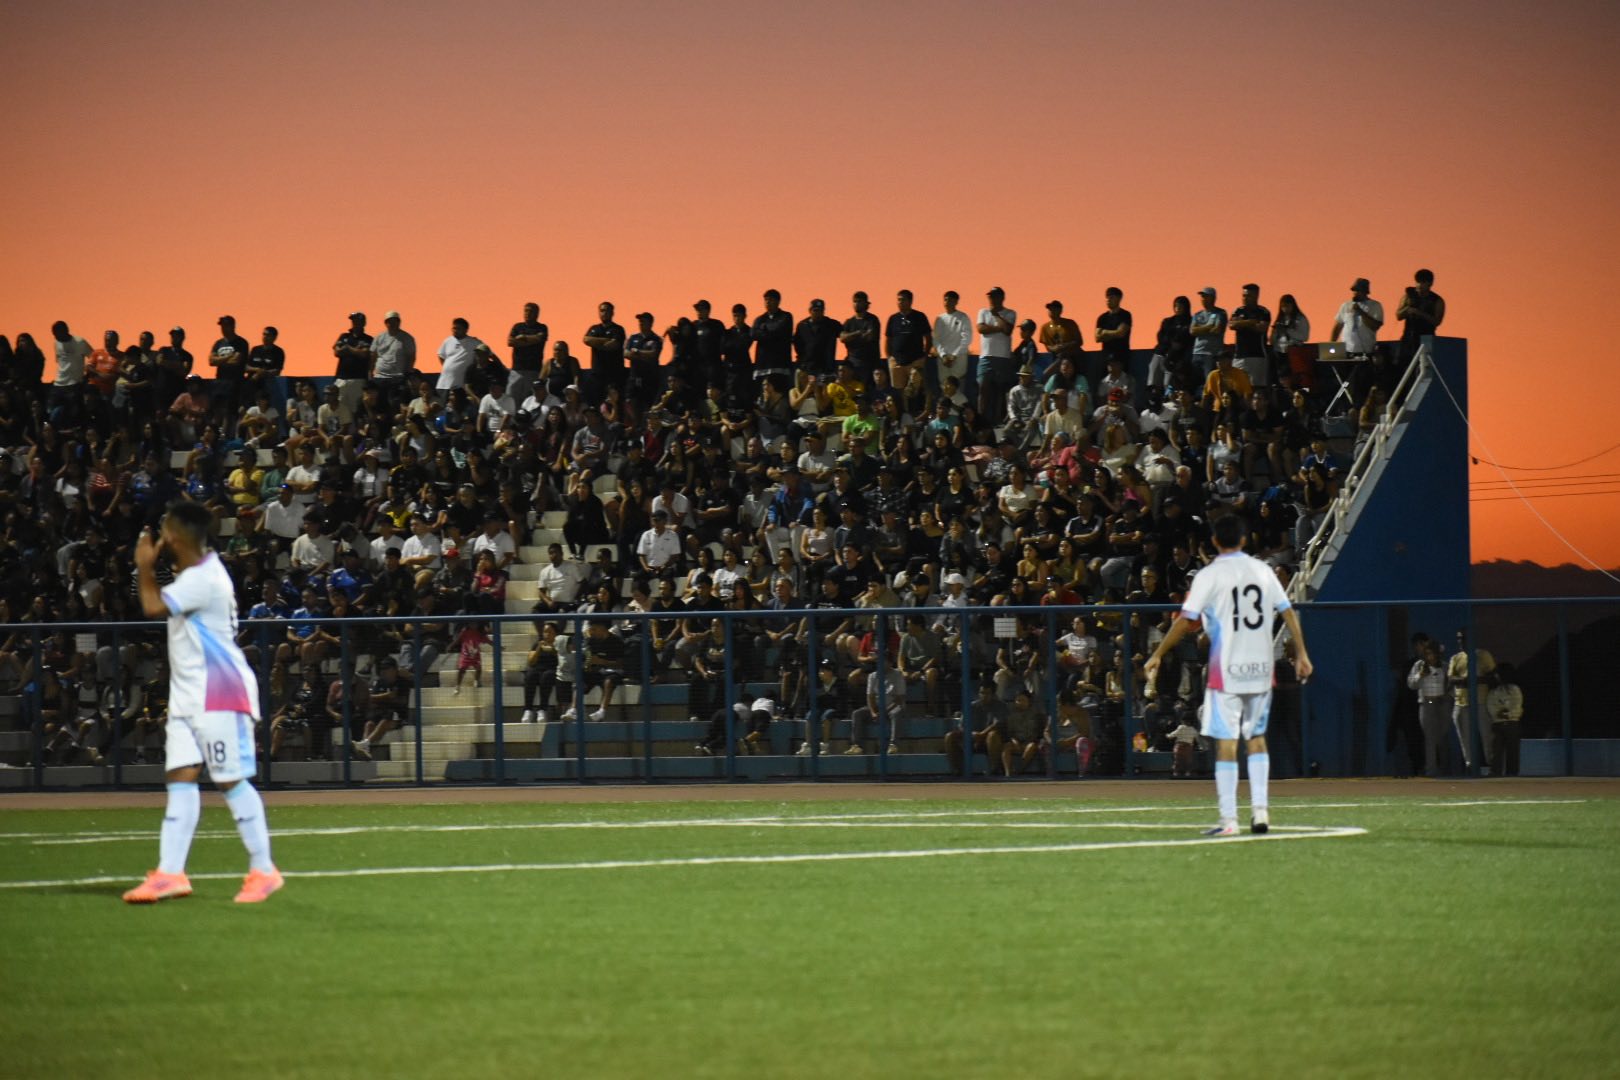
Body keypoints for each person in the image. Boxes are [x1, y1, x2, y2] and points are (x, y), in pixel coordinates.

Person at [123, 501, 281, 904]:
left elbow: (152, 606)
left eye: (164, 532)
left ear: (174, 537)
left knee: (229, 779)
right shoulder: (197, 573)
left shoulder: (204, 578)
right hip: (189, 693)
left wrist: (144, 564)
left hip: (219, 691)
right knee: (180, 776)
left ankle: (263, 870)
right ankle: (170, 873)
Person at [1144, 513, 1313, 836]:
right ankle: (1261, 813)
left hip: (1227, 670)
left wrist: (1158, 653)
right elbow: (1287, 610)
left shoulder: (1210, 575)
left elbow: (1184, 620)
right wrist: (1302, 653)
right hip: (1261, 668)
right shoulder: (1263, 570)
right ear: (1245, 540)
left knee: (1226, 743)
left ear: (1215, 542)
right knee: (1257, 739)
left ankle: (1229, 821)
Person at [1406, 637, 1450, 777]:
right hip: (1427, 702)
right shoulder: (1419, 666)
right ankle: (1431, 771)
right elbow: (1411, 684)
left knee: (1442, 736)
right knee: (1430, 738)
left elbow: (1450, 685)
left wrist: (1449, 697)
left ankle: (1444, 769)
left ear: (1437, 654)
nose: (1429, 657)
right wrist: (1420, 675)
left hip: (1442, 702)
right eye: (1426, 654)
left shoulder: (1444, 666)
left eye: (1431, 653)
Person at [1395, 268, 1445, 367]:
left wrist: (1420, 313)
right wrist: (1408, 309)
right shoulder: (1408, 297)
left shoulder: (1437, 300)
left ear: (1430, 284)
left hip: (1426, 339)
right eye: (1418, 282)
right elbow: (1398, 315)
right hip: (1408, 338)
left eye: (1423, 283)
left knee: (1423, 368)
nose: (1419, 286)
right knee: (1403, 366)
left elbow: (1437, 321)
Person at [1484, 665, 1522, 777]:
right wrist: (1501, 712)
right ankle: (1495, 772)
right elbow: (1491, 707)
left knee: (1513, 751)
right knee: (1496, 751)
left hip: (1512, 723)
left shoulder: (1514, 689)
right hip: (1498, 723)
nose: (1496, 676)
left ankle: (1512, 773)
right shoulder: (1493, 691)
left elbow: (1516, 706)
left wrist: (1507, 713)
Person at [1331, 278, 1384, 357]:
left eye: (1358, 290)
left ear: (1365, 291)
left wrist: (1360, 312)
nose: (1355, 293)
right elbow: (1338, 326)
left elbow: (1374, 326)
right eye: (1354, 290)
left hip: (1366, 350)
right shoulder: (1346, 305)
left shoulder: (1375, 305)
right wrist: (1332, 344)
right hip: (1346, 350)